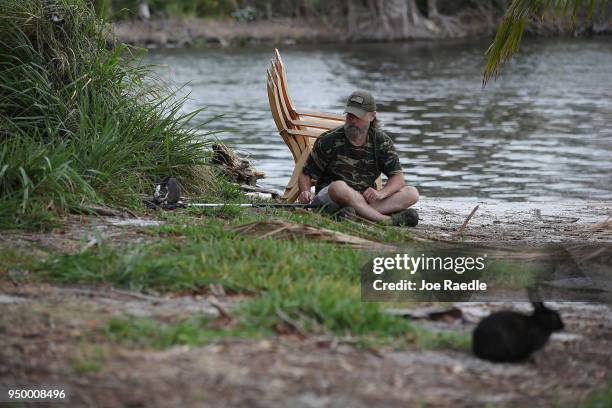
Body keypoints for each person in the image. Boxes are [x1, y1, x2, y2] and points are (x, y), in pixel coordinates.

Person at [297, 90, 419, 227]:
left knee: (412, 193)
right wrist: (305, 192)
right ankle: (385, 220)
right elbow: (305, 174)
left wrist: (381, 194)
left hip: (363, 200)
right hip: (331, 198)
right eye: (350, 115)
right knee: (338, 186)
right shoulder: (328, 140)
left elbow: (398, 179)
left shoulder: (382, 142)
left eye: (357, 116)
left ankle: (351, 215)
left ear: (372, 116)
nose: (352, 120)